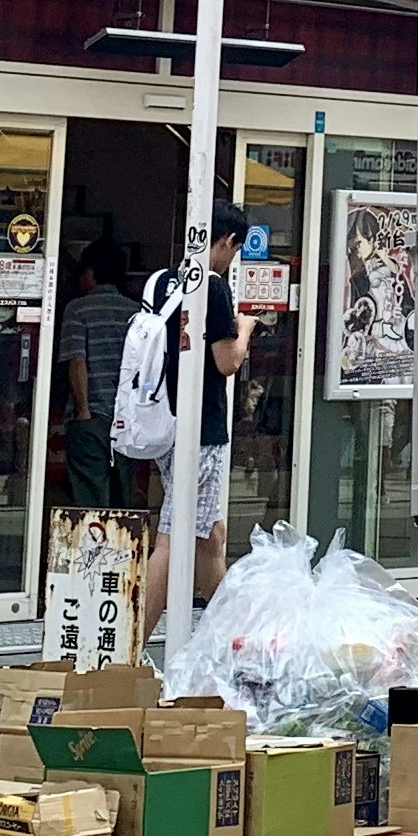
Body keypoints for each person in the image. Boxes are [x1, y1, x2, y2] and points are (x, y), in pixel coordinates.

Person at [138, 204, 254, 660]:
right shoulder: (213, 286)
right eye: (235, 250)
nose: (231, 259)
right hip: (201, 429)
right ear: (226, 241)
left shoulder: (164, 281)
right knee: (173, 537)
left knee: (211, 537)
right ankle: (128, 650)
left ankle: (234, 644)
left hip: (165, 421)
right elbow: (225, 361)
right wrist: (244, 329)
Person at [58, 240, 140, 513]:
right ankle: (122, 553)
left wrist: (82, 410)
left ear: (90, 272)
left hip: (92, 418)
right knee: (122, 498)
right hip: (127, 421)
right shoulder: (136, 312)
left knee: (90, 500)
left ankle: (93, 553)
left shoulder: (77, 309)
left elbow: (77, 360)